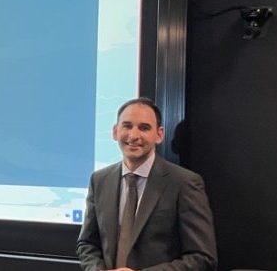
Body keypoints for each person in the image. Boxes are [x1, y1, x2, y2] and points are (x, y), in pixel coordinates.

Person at [76, 97, 217, 271]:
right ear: (114, 131)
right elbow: (87, 244)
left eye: (144, 128)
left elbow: (202, 258)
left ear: (159, 134)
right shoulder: (99, 180)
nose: (133, 135)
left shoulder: (184, 183)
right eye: (127, 126)